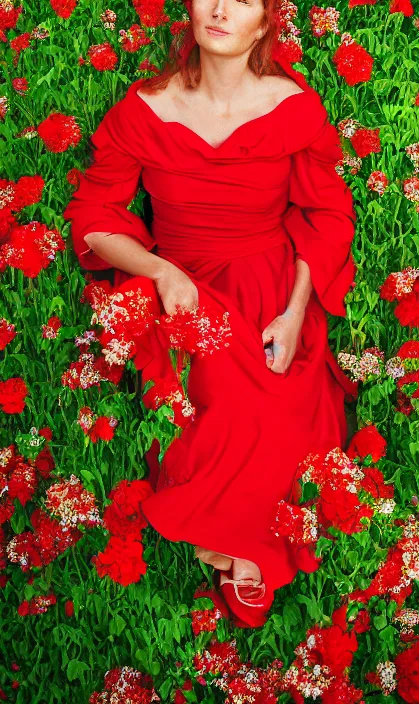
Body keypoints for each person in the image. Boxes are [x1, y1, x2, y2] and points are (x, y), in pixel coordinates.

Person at [62, 0, 359, 628]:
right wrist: (160, 271)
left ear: (266, 22)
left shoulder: (291, 107)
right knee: (229, 400)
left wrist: (294, 308)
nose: (221, 10)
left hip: (271, 284)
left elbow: (325, 217)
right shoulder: (145, 110)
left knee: (290, 406)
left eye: (243, 1)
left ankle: (239, 535)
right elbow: (92, 218)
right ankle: (247, 542)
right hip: (185, 286)